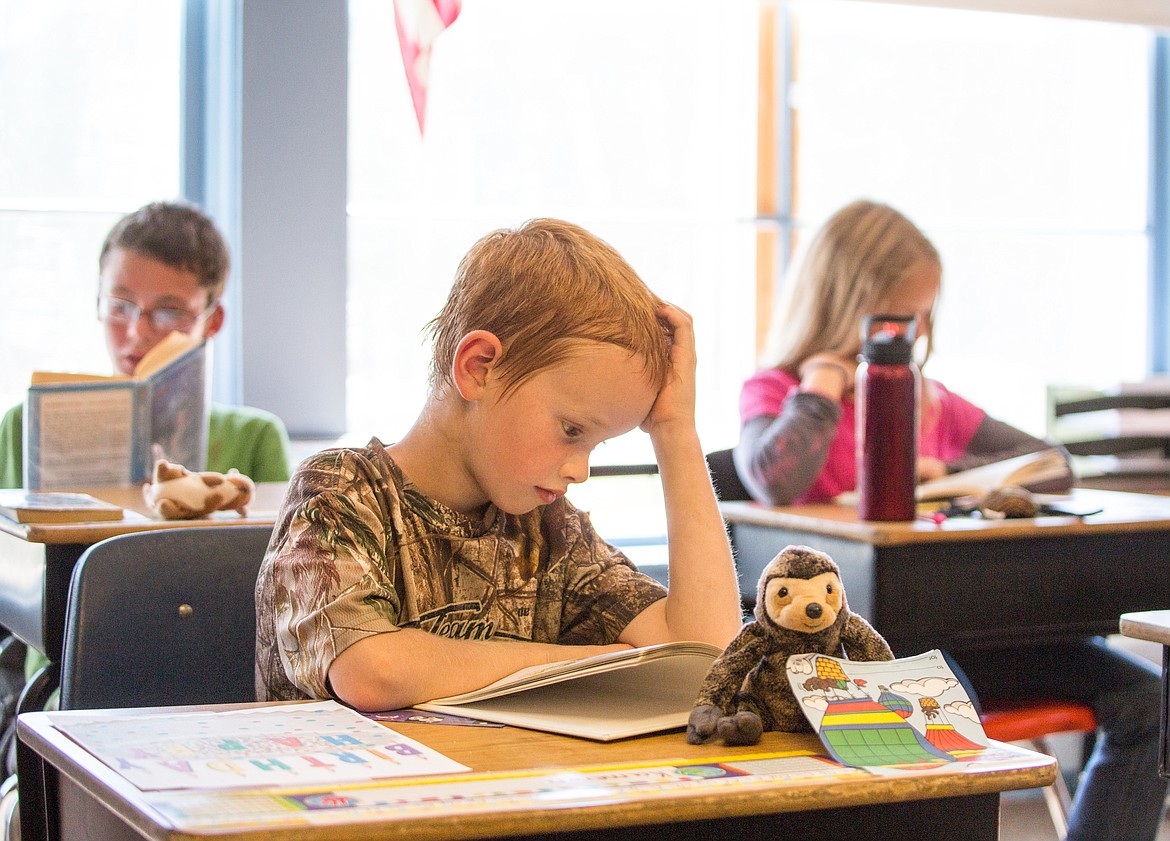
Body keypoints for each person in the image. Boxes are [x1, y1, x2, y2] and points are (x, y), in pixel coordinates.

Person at [734, 198, 1167, 841]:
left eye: (921, 316)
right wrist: (822, 385)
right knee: (943, 712)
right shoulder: (776, 391)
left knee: (1150, 702)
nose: (912, 331)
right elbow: (774, 476)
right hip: (866, 648)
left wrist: (951, 470)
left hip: (965, 629)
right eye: (902, 314)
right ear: (849, 303)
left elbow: (1051, 465)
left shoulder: (928, 401)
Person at [255, 218, 742, 711]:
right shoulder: (340, 493)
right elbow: (373, 673)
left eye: (597, 445)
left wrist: (676, 433)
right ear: (479, 367)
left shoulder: (551, 531)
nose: (581, 471)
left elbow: (704, 653)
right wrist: (589, 663)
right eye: (572, 431)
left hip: (493, 785)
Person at [0, 200, 293, 489]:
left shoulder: (255, 439)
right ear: (97, 303)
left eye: (170, 312)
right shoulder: (24, 425)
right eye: (120, 306)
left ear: (212, 321)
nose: (137, 332)